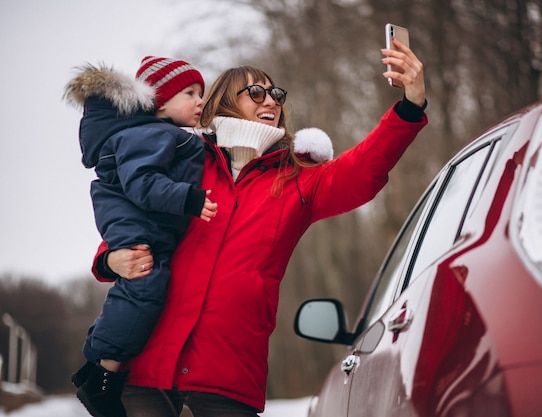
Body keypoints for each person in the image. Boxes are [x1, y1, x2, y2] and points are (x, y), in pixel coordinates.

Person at [91, 38, 428, 417]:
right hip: (146, 373)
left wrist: (410, 107)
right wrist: (109, 260)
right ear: (222, 102)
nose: (270, 100)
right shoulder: (184, 160)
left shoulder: (298, 180)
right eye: (255, 92)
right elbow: (131, 216)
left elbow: (364, 169)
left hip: (227, 380)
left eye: (275, 94)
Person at [64, 56, 218, 417]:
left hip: (146, 224)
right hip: (134, 223)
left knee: (141, 289)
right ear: (160, 102)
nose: (200, 101)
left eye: (202, 94)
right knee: (145, 285)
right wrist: (188, 198)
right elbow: (142, 182)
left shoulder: (165, 135)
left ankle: (96, 368)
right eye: (190, 93)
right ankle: (102, 375)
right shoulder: (147, 134)